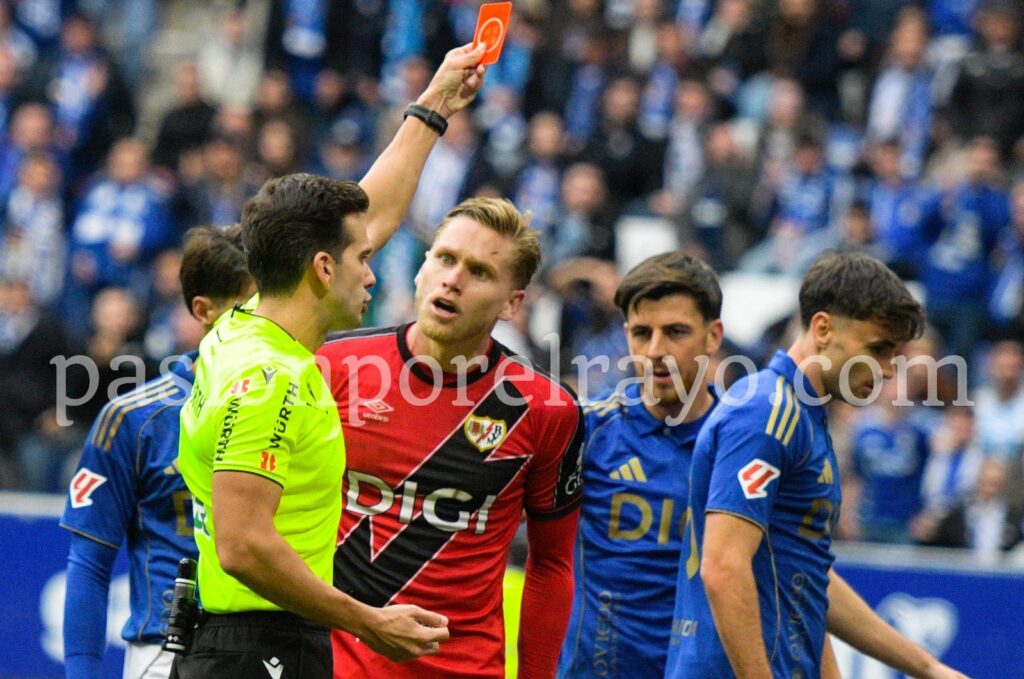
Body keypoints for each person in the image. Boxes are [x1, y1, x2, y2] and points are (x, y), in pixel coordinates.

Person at [174, 43, 487, 678]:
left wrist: (432, 107)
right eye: (362, 261)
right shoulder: (271, 379)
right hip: (259, 650)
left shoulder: (239, 326)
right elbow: (242, 545)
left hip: (245, 642)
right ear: (322, 268)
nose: (371, 272)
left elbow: (367, 215)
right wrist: (369, 621)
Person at [666, 252, 968, 679]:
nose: (885, 370)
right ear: (823, 328)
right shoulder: (766, 413)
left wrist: (927, 667)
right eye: (878, 349)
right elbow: (724, 566)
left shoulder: (802, 418)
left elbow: (804, 578)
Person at [318, 197, 584, 679]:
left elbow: (552, 565)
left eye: (479, 272)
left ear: (512, 303)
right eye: (445, 258)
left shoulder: (546, 410)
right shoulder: (332, 365)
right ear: (422, 267)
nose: (453, 279)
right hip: (330, 665)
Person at [60, 225, 253, 679]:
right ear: (203, 310)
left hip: (275, 645)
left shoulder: (311, 404)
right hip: (167, 651)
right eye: (248, 307)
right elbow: (89, 563)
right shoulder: (132, 419)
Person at [557, 252, 723, 678]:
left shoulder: (740, 448)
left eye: (676, 332)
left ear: (713, 336)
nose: (655, 351)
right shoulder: (588, 431)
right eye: (641, 333)